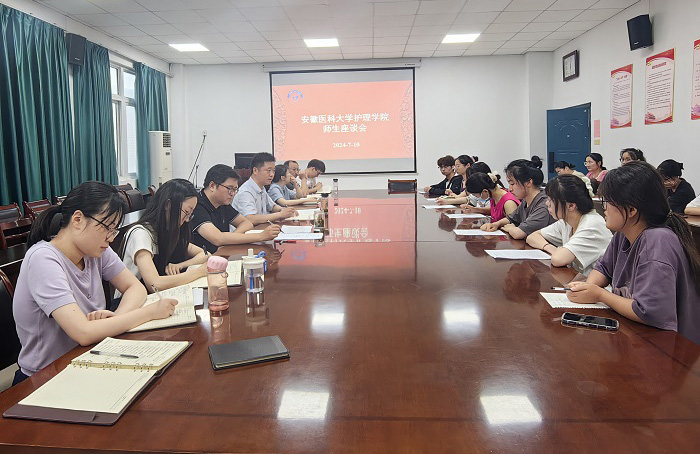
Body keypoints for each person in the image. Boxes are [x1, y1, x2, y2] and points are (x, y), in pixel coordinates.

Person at [12, 181, 177, 385]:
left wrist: (116, 319)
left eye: (114, 230)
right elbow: (82, 332)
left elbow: (135, 287)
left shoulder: (95, 251)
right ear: (78, 220)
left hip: (88, 359)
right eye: (107, 228)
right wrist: (150, 312)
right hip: (43, 378)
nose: (111, 238)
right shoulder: (43, 259)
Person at [567, 161, 700, 344]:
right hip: (638, 334)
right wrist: (587, 288)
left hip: (672, 348)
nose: (604, 207)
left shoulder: (657, 241)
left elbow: (649, 312)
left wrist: (599, 294)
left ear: (631, 210)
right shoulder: (624, 233)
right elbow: (604, 269)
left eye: (608, 202)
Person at [118, 179, 209, 297]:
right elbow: (154, 285)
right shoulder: (141, 234)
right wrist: (198, 272)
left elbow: (205, 255)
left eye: (190, 214)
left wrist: (181, 265)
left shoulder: (168, 231)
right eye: (186, 212)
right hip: (131, 302)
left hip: (156, 298)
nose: (187, 220)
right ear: (167, 205)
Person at [526, 175, 611, 276]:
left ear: (570, 205)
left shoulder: (592, 224)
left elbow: (558, 259)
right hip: (579, 279)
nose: (547, 203)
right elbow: (532, 237)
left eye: (551, 200)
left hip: (597, 284)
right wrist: (551, 248)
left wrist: (557, 252)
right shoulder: (566, 221)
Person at [192, 164, 280, 253]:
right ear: (212, 186)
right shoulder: (196, 205)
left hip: (222, 253)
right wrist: (260, 236)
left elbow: (246, 223)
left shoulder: (222, 203)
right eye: (229, 188)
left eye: (235, 189)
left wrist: (230, 238)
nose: (232, 194)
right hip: (204, 258)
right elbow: (217, 238)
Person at [480, 156, 554, 239]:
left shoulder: (544, 204)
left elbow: (518, 233)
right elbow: (512, 218)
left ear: (528, 182)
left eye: (512, 184)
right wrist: (496, 224)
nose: (510, 189)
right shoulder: (526, 200)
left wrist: (512, 229)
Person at [233, 153, 297, 225]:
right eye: (268, 170)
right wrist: (280, 215)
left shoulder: (261, 188)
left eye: (273, 170)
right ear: (255, 170)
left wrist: (283, 210)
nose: (272, 174)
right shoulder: (245, 192)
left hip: (261, 228)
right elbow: (250, 218)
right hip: (248, 231)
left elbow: (272, 207)